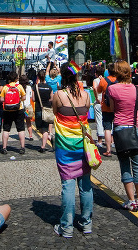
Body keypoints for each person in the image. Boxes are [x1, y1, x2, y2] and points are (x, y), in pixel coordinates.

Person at [51, 62, 94, 237]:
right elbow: (86, 116)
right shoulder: (86, 95)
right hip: (83, 145)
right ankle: (86, 224)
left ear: (62, 75)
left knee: (67, 186)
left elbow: (55, 113)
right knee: (86, 186)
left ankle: (67, 227)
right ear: (76, 76)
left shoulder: (59, 95)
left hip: (65, 146)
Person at [106, 60, 138, 210]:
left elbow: (112, 108)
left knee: (124, 165)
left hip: (120, 128)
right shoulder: (136, 88)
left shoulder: (112, 89)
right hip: (135, 127)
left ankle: (131, 200)